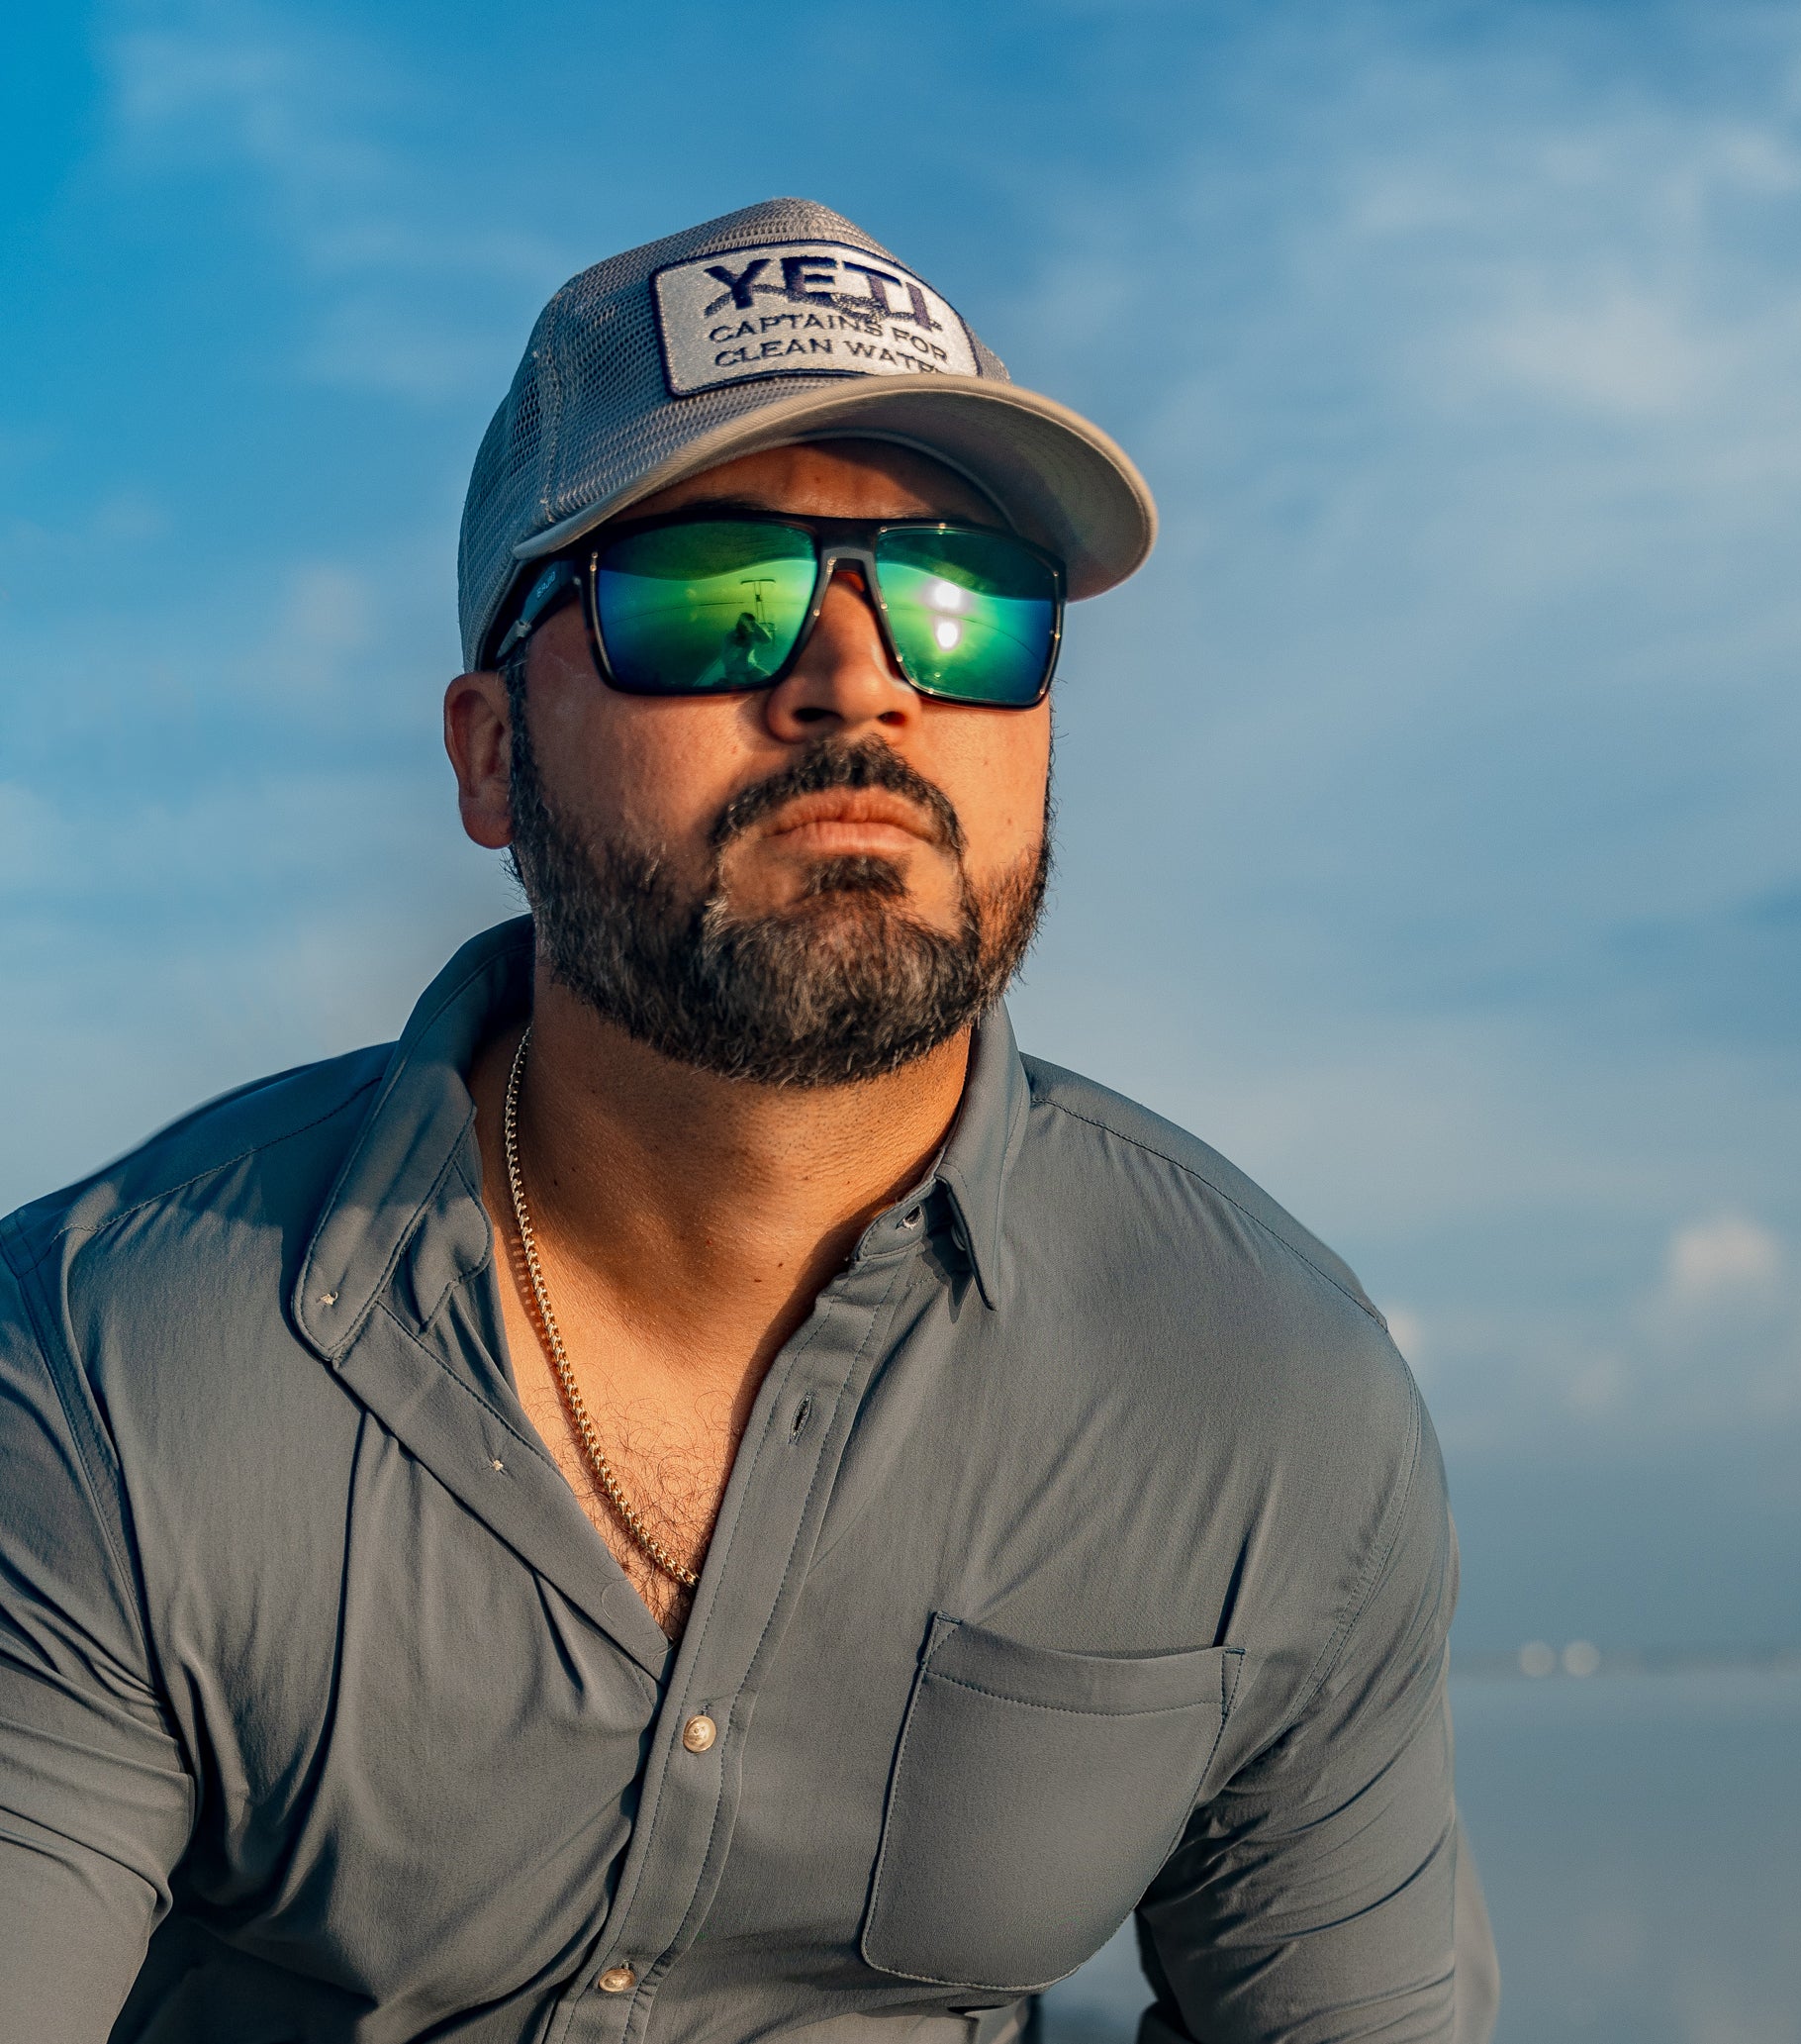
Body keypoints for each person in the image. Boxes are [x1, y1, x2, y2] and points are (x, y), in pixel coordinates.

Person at [0, 198, 1498, 2044]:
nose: (862, 680)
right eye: (711, 592)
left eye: (961, 602)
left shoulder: (1266, 1400)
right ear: (488, 752)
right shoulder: (106, 1369)